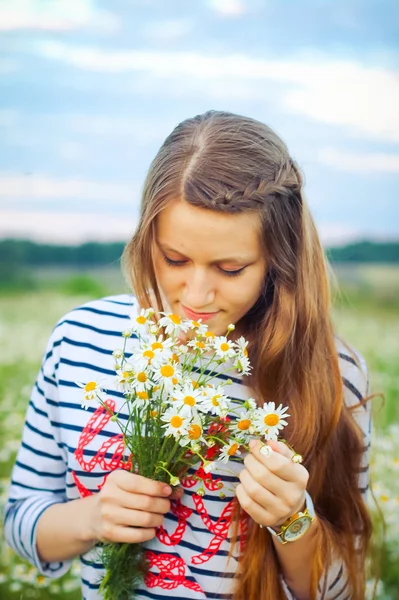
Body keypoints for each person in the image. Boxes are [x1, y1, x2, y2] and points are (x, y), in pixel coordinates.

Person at [4, 110, 372, 600]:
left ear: (278, 259)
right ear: (145, 239)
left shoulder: (330, 373)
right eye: (174, 259)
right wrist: (92, 517)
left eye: (230, 268)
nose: (196, 294)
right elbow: (21, 525)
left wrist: (292, 520)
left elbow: (344, 591)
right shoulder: (80, 340)